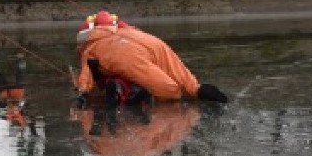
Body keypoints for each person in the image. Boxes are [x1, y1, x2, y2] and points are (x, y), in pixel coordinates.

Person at [76, 10, 229, 106]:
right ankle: (202, 91)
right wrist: (195, 89)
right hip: (154, 45)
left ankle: (130, 92)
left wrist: (83, 92)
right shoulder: (132, 32)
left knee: (171, 91)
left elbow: (86, 72)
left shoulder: (91, 47)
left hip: (128, 60)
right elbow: (171, 64)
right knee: (181, 78)